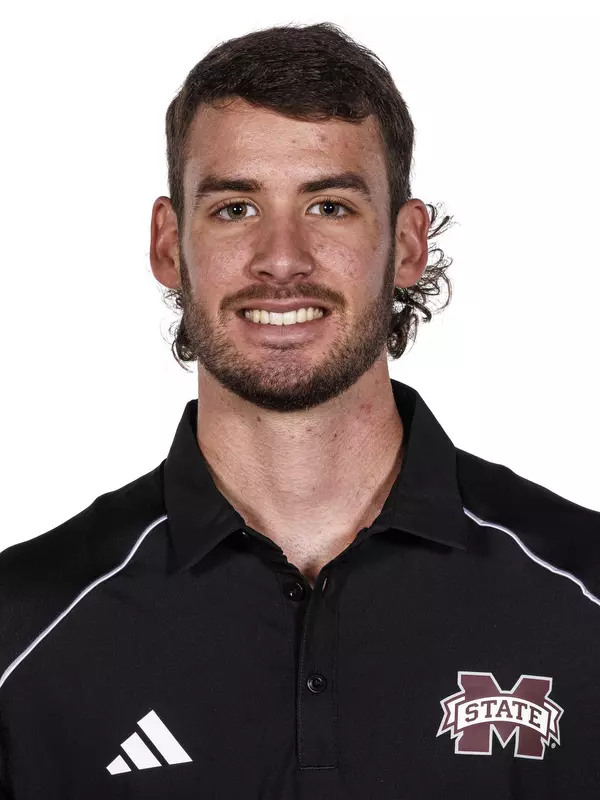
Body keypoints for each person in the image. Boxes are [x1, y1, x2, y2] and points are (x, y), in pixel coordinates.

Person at [1, 20, 598, 800]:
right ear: (169, 244)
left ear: (408, 243)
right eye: (236, 209)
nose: (282, 259)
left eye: (329, 207)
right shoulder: (24, 633)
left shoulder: (581, 596)